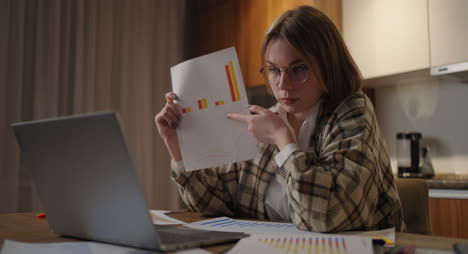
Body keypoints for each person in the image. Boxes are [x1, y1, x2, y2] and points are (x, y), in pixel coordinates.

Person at [155, 5, 405, 232]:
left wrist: (283, 140)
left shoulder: (352, 109)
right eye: (273, 70)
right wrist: (177, 148)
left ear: (328, 66)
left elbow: (329, 216)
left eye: (298, 70)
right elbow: (216, 200)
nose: (283, 85)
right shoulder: (270, 118)